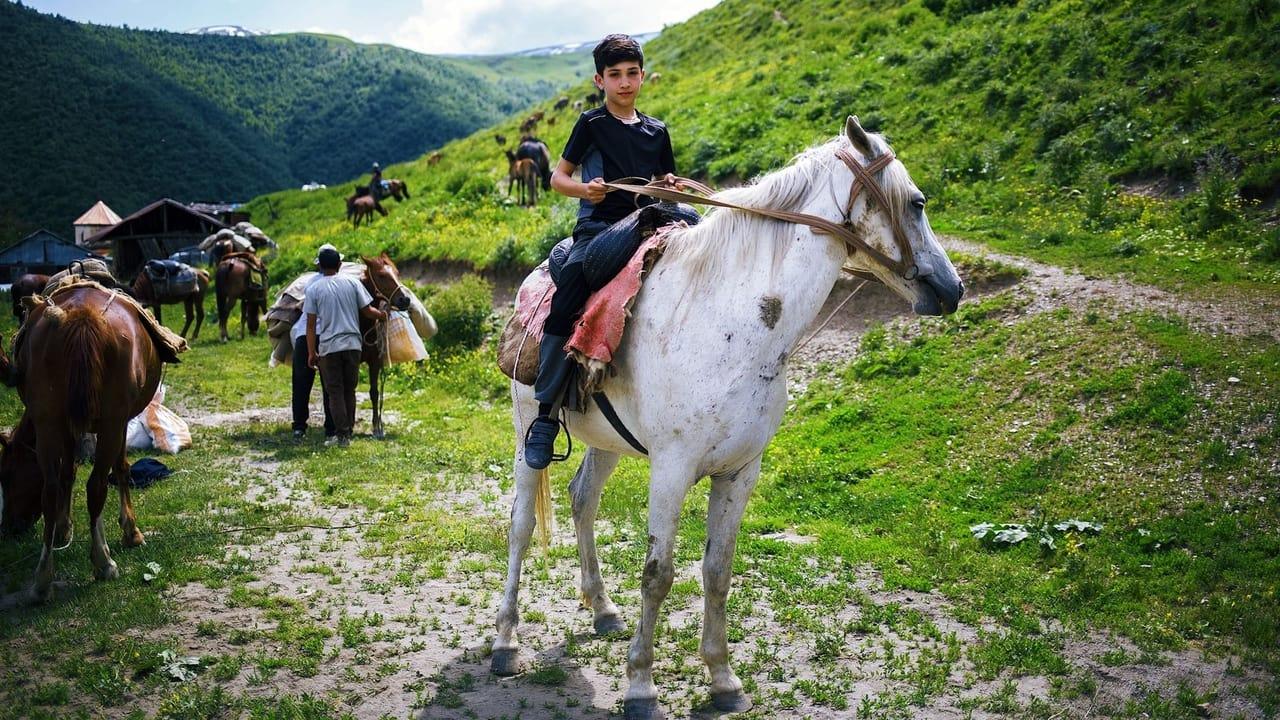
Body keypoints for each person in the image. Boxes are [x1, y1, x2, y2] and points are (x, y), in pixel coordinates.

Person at [524, 33, 682, 469]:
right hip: (599, 228)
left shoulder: (657, 130)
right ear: (600, 79)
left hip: (652, 217)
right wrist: (585, 191)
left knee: (705, 229)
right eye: (615, 75)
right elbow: (558, 179)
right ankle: (545, 416)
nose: (625, 82)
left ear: (642, 76)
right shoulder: (591, 125)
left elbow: (665, 180)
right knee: (572, 286)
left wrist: (669, 187)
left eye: (632, 73)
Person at [304, 243, 386, 447]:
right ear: (340, 264)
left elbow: (311, 325)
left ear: (320, 267)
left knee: (335, 392)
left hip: (330, 347)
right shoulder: (352, 283)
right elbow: (368, 311)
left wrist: (311, 352)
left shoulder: (314, 289)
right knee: (350, 390)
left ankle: (342, 436)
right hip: (353, 345)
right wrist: (383, 315)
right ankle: (348, 430)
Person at [291, 275, 334, 441]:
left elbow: (308, 320)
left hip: (304, 335)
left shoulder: (311, 282)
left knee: (301, 382)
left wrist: (309, 350)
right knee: (330, 383)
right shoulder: (343, 282)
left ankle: (299, 426)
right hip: (327, 335)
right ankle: (331, 428)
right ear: (338, 264)